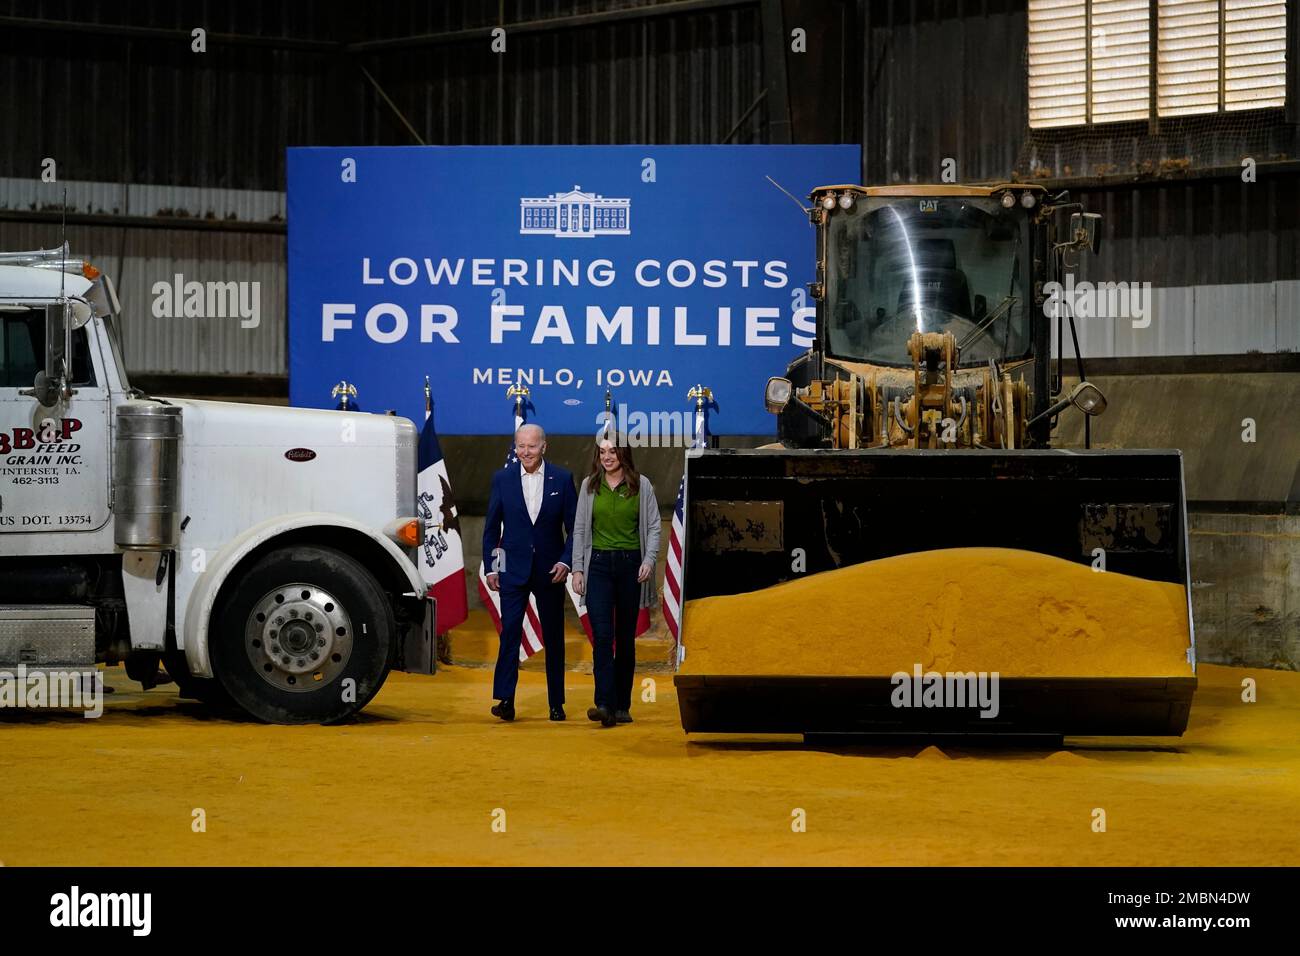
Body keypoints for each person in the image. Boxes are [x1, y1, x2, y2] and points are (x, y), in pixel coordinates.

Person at [482, 423, 577, 722]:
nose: (525, 452)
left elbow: (575, 529)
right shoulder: (502, 479)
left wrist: (565, 561)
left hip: (551, 571)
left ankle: (556, 704)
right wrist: (492, 568)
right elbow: (491, 530)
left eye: (531, 446)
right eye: (520, 446)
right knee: (510, 633)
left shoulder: (562, 479)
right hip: (512, 570)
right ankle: (506, 701)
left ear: (544, 447)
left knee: (554, 637)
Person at [569, 438, 660, 727]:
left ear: (624, 453)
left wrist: (648, 560)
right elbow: (580, 529)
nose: (607, 457)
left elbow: (654, 527)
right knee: (603, 636)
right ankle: (604, 703)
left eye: (613, 451)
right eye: (602, 451)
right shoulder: (589, 485)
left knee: (624, 638)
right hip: (597, 567)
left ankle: (623, 705)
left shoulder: (641, 485)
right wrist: (578, 569)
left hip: (630, 566)